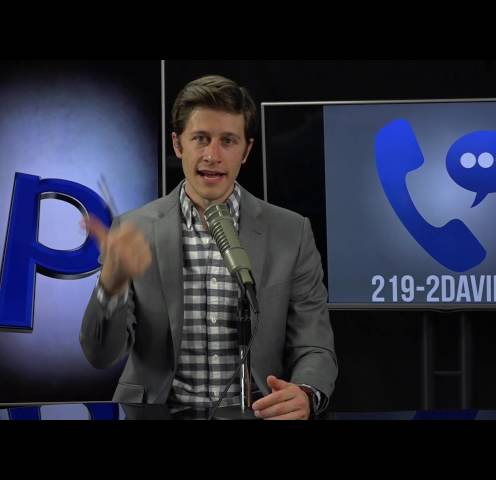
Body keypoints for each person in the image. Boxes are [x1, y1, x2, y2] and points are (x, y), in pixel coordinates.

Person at [80, 75, 338, 420]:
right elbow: (99, 355)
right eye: (200, 139)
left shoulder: (291, 232)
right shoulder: (133, 230)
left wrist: (305, 393)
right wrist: (111, 287)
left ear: (246, 150)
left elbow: (314, 346)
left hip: (254, 413)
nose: (212, 155)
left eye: (227, 141)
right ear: (178, 145)